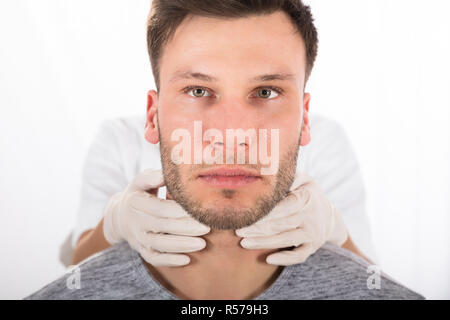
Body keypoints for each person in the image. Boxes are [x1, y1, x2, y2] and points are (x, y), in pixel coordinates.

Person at [29, 0, 423, 299]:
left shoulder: (330, 142)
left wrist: (335, 231)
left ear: (305, 119)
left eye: (265, 92)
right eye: (198, 91)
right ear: (152, 116)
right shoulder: (115, 140)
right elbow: (82, 269)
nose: (231, 135)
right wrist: (112, 224)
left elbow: (369, 278)